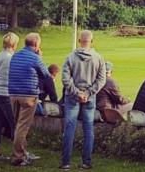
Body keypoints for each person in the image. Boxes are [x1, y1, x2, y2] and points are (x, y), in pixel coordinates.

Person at [60, 30, 106, 170]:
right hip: (89, 97)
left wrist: (76, 92)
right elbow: (101, 80)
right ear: (92, 42)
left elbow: (65, 79)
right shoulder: (99, 58)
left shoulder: (70, 57)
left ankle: (66, 162)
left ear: (79, 41)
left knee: (69, 128)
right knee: (88, 129)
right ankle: (86, 162)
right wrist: (88, 92)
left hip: (72, 97)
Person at [9, 32, 51, 166]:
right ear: (37, 45)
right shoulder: (35, 58)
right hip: (28, 96)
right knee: (23, 127)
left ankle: (23, 152)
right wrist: (40, 57)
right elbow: (46, 75)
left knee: (18, 126)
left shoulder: (15, 55)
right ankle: (18, 157)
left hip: (13, 94)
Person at [0, 32, 19, 161]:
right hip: (5, 94)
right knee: (15, 124)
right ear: (14, 44)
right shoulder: (11, 58)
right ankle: (19, 152)